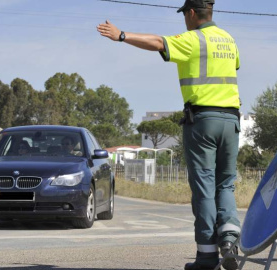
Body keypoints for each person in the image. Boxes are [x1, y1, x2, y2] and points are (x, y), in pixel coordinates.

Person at [97, 1, 241, 269]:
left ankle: (207, 257)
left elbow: (158, 42)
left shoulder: (193, 39)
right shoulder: (229, 40)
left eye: (184, 16)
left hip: (203, 121)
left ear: (191, 13)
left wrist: (122, 36)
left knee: (204, 189)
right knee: (226, 184)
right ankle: (230, 239)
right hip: (232, 121)